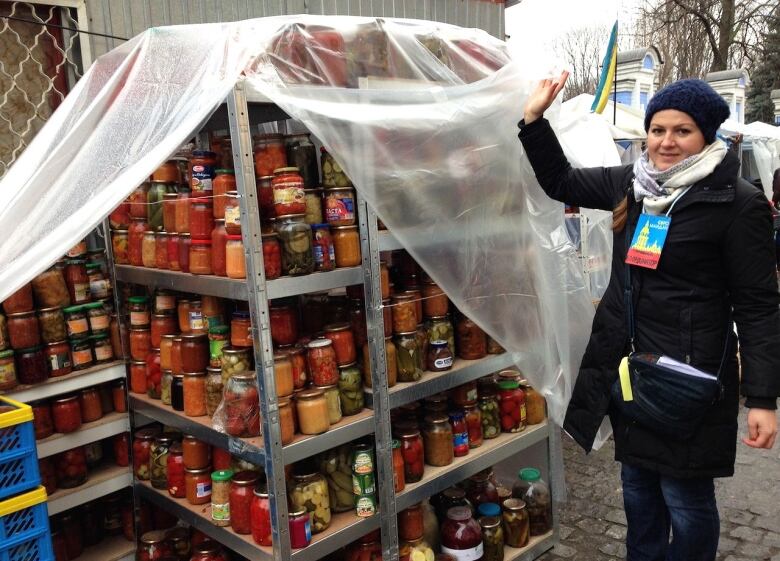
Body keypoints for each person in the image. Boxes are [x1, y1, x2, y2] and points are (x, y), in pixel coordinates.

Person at [518, 74, 780, 561]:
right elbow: (560, 181)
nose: (666, 142)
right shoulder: (631, 185)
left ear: (708, 134)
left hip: (692, 380)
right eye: (658, 129)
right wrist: (534, 120)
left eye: (682, 131)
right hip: (634, 372)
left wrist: (763, 397)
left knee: (685, 499)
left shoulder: (737, 203)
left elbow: (760, 306)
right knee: (637, 488)